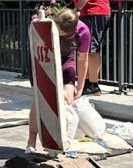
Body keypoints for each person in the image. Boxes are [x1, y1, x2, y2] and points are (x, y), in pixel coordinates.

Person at [26, 9, 90, 152]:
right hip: (43, 59)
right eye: (57, 28)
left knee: (68, 95)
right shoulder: (46, 27)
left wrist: (80, 86)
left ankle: (62, 140)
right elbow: (37, 47)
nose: (57, 32)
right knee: (39, 99)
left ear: (71, 31)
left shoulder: (83, 32)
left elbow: (82, 59)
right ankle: (31, 141)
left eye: (61, 32)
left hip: (66, 59)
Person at [72, 0, 111, 96]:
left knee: (90, 49)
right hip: (97, 11)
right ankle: (90, 83)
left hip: (93, 11)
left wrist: (77, 8)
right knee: (91, 48)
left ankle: (92, 85)